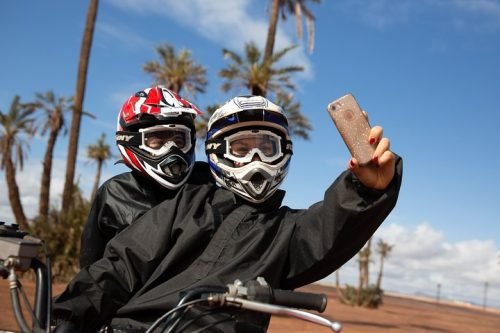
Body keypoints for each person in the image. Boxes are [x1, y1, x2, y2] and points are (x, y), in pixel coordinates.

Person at [53, 95, 403, 332]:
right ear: (219, 153)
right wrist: (64, 318)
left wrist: (365, 189)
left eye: (267, 147)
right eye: (241, 147)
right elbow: (119, 267)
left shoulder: (287, 231)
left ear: (284, 152)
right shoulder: (186, 204)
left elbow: (327, 230)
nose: (256, 160)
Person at [79, 85, 214, 268]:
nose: (171, 149)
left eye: (179, 140)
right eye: (158, 140)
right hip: (133, 295)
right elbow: (91, 264)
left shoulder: (206, 184)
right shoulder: (114, 193)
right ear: (131, 140)